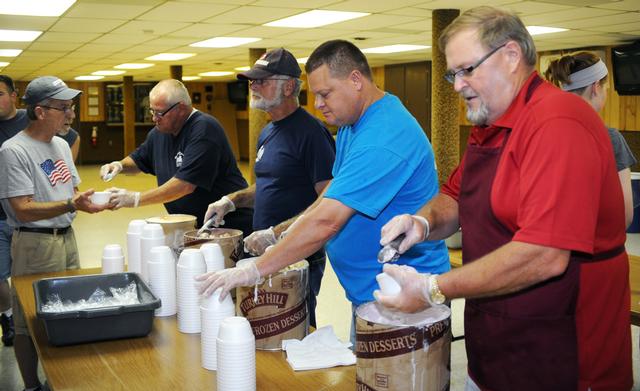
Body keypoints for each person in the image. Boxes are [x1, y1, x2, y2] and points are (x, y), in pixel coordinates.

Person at [376, 6, 632, 391]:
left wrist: (433, 288)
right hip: (498, 341)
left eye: (467, 69)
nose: (457, 85)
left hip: (563, 350)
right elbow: (456, 197)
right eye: (453, 73)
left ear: (511, 56)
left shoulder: (557, 123)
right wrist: (422, 222)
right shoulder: (491, 122)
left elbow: (545, 253)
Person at [196, 40, 450, 342]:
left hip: (406, 298)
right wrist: (280, 233)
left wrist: (254, 271)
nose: (317, 104)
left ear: (356, 80)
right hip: (372, 291)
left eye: (324, 93)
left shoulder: (383, 137)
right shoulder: (351, 124)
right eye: (315, 94)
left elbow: (328, 220)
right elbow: (329, 197)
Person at [203, 48, 336, 328]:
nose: (253, 86)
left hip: (297, 255)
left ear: (289, 86)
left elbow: (329, 197)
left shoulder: (312, 133)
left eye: (261, 80)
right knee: (261, 328)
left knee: (291, 330)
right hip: (262, 251)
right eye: (251, 80)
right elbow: (269, 183)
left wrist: (276, 234)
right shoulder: (268, 131)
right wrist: (232, 200)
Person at [0, 76, 109, 391]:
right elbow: (21, 207)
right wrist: (69, 203)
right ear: (39, 111)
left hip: (66, 238)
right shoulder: (13, 151)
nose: (71, 115)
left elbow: (69, 191)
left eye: (71, 107)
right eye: (63, 108)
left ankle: (59, 381)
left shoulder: (60, 144)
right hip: (34, 244)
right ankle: (32, 386)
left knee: (66, 313)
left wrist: (89, 202)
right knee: (28, 322)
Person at [99, 79, 253, 233]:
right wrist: (118, 165)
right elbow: (139, 160)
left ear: (181, 108)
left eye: (159, 113)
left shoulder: (204, 129)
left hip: (228, 225)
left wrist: (135, 199)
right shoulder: (159, 132)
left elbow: (185, 185)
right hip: (193, 226)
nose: (154, 118)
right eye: (152, 111)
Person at [545, 51, 637, 227]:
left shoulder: (543, 132)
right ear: (596, 87)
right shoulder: (610, 139)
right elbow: (624, 216)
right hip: (597, 249)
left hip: (551, 242)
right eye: (606, 87)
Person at [0, 75, 28, 347]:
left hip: (26, 215)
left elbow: (70, 137)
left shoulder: (29, 120)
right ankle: (7, 317)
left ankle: (29, 319)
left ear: (13, 96)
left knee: (27, 274)